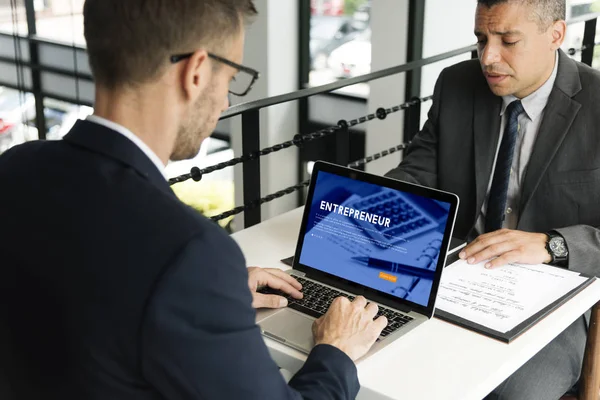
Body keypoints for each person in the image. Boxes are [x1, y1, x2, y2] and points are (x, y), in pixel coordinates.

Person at [0, 1, 388, 399]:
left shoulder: (16, 169)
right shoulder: (188, 252)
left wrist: (210, 299)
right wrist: (336, 350)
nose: (226, 102)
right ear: (196, 72)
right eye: (231, 79)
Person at [386, 0, 600, 399]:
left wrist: (551, 244)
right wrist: (380, 206)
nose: (488, 57)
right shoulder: (456, 84)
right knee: (383, 353)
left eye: (508, 40)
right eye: (481, 39)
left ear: (556, 35)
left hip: (557, 293)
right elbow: (418, 171)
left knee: (510, 391)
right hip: (459, 268)